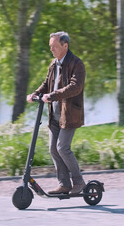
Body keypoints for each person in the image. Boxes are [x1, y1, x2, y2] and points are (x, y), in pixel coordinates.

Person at [27, 31, 86, 194]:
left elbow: (75, 87)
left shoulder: (77, 64)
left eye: (54, 47)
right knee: (53, 148)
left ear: (65, 46)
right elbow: (47, 83)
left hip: (69, 115)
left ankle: (79, 183)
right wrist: (36, 94)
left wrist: (52, 96)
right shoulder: (54, 64)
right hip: (54, 114)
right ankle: (64, 184)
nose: (51, 50)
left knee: (62, 148)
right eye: (50, 47)